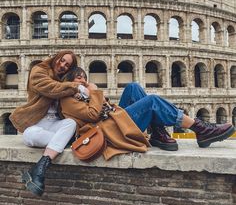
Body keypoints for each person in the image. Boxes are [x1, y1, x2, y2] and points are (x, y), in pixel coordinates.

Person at [60, 68, 235, 160]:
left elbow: (102, 109)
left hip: (112, 121)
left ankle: (158, 133)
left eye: (84, 77)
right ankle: (199, 128)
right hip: (109, 131)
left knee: (133, 87)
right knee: (151, 101)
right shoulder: (67, 99)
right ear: (69, 82)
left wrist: (94, 95)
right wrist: (95, 92)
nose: (83, 80)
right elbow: (92, 115)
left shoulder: (83, 94)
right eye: (78, 78)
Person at [10, 50, 84, 196]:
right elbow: (50, 88)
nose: (62, 65)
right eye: (62, 60)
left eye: (67, 65)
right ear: (56, 57)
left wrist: (79, 90)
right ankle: (62, 142)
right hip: (38, 122)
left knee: (71, 123)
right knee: (29, 135)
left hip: (55, 123)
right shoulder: (39, 70)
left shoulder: (65, 80)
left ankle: (39, 168)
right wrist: (75, 87)